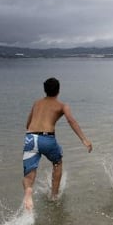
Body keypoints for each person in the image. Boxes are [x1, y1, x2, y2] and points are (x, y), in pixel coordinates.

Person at [23, 77, 92, 210]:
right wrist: (84, 139)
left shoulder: (37, 103)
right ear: (58, 90)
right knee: (57, 163)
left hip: (30, 137)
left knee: (29, 174)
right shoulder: (62, 105)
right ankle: (53, 196)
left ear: (45, 90)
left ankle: (28, 192)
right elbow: (72, 121)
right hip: (46, 138)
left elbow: (28, 124)